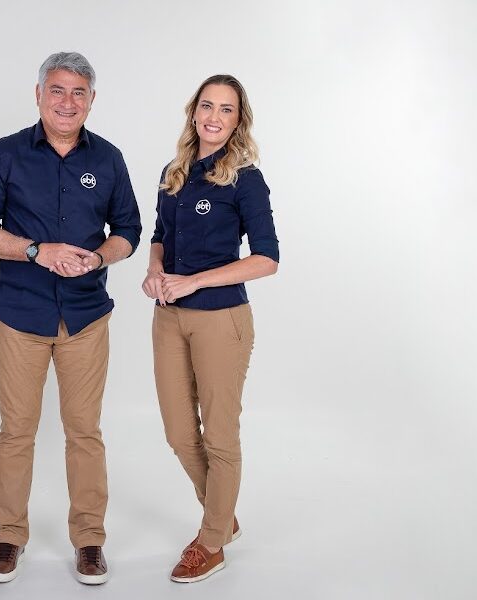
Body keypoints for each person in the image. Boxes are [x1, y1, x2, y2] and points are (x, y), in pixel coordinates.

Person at [0, 51, 141, 585]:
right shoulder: (8, 153)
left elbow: (129, 232)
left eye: (78, 92)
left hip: (86, 318)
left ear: (92, 100)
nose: (67, 102)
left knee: (84, 431)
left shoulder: (108, 158)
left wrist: (99, 258)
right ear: (39, 94)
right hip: (20, 316)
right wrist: (36, 251)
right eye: (58, 90)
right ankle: (9, 536)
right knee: (16, 431)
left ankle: (89, 541)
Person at [141, 74, 279, 583]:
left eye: (226, 109)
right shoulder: (173, 172)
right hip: (169, 317)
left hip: (221, 319)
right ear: (193, 111)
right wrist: (155, 271)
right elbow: (160, 235)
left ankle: (212, 540)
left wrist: (194, 281)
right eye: (206, 105)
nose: (213, 117)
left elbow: (267, 259)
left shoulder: (245, 178)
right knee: (180, 433)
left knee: (219, 434)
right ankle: (224, 515)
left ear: (238, 120)